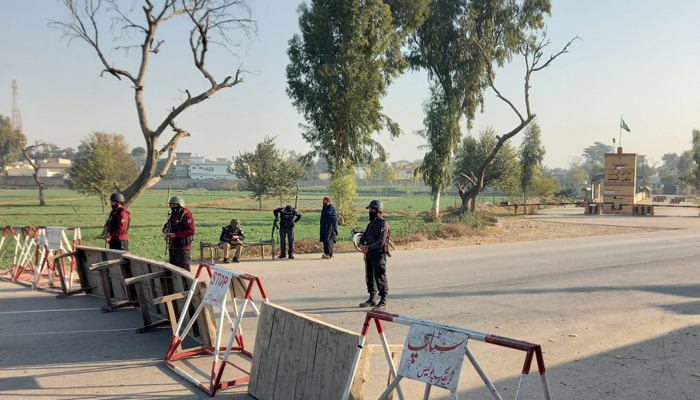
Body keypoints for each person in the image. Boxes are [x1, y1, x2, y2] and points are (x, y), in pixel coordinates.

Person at [358, 199, 391, 311]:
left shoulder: (383, 224)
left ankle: (383, 301)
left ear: (379, 211)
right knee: (369, 277)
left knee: (380, 277)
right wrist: (361, 245)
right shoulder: (371, 224)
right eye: (370, 209)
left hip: (378, 255)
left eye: (373, 209)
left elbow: (380, 241)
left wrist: (368, 248)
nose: (370, 212)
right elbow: (363, 236)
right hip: (369, 255)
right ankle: (372, 298)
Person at [163, 196, 196, 271]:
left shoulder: (186, 215)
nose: (172, 207)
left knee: (184, 271)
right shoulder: (174, 215)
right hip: (173, 246)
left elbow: (191, 231)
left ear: (180, 205)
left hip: (183, 248)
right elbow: (166, 225)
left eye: (174, 205)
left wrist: (176, 235)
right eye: (171, 205)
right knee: (174, 271)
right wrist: (165, 230)